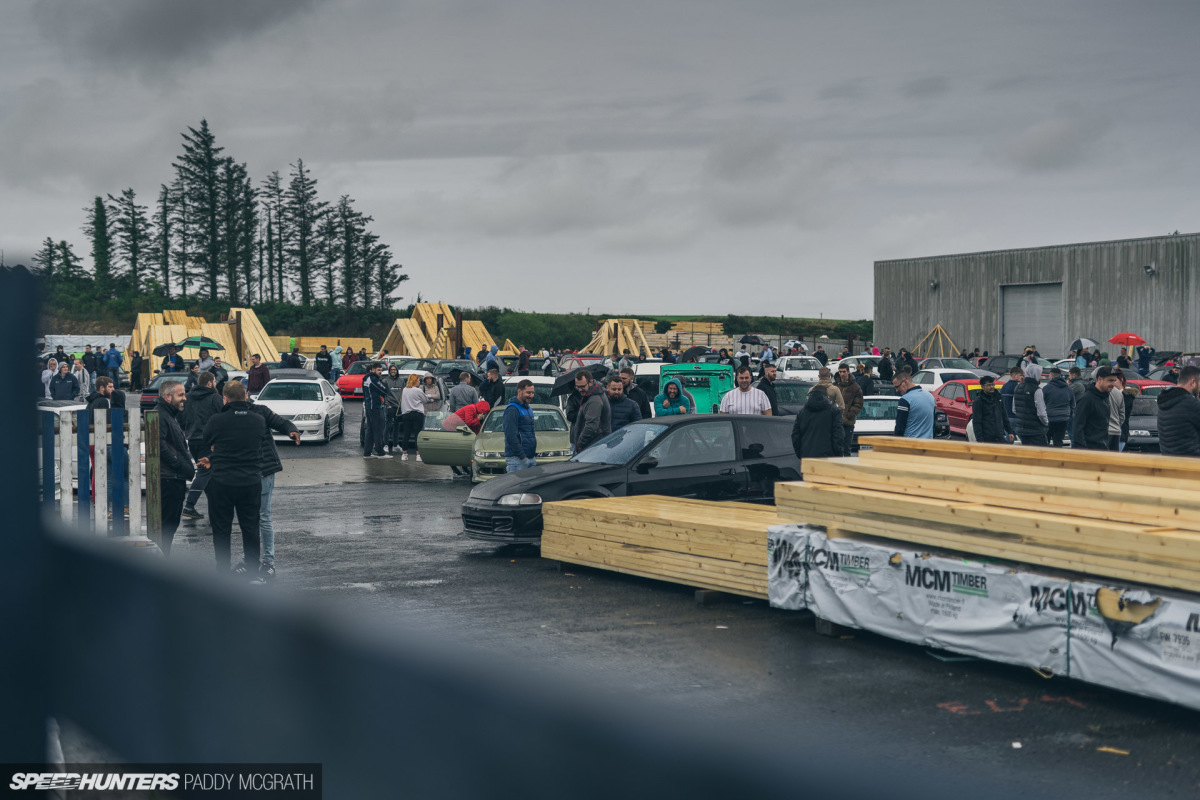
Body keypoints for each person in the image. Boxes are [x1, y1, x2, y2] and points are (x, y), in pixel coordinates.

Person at [199, 381, 266, 576]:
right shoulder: (258, 420)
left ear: (225, 399)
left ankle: (223, 571)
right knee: (250, 527)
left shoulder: (216, 420)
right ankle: (253, 570)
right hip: (250, 481)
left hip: (222, 481)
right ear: (246, 396)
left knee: (221, 529)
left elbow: (206, 438)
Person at [248, 393, 300, 582]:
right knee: (251, 518)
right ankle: (251, 560)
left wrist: (291, 429)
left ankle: (268, 562)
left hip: (263, 470)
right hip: (244, 473)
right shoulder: (227, 414)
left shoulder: (260, 411)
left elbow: (280, 421)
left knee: (263, 516)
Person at [155, 380, 194, 556]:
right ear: (167, 397)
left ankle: (162, 560)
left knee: (169, 527)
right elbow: (159, 446)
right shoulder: (161, 415)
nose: (184, 398)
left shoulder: (169, 414)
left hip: (173, 478)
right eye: (181, 395)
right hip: (169, 479)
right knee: (166, 528)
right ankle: (160, 563)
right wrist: (179, 465)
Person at [181, 371, 226, 520]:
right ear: (209, 383)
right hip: (208, 440)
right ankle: (189, 505)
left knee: (208, 473)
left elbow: (182, 418)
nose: (215, 384)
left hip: (192, 439)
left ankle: (215, 505)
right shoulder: (215, 398)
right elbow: (223, 417)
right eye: (214, 381)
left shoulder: (188, 398)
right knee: (204, 472)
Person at [791, 385, 844, 462]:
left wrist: (800, 453)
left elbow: (795, 436)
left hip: (807, 457)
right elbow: (838, 436)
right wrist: (838, 455)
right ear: (826, 396)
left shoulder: (802, 413)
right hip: (829, 457)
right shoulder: (834, 412)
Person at [1157, 365, 1200, 457]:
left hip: (1169, 462)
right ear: (1192, 382)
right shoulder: (1191, 403)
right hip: (1190, 463)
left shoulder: (1164, 400)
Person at [1073, 366, 1117, 450]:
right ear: (1099, 379)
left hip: (1102, 450)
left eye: (1114, 380)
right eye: (1110, 380)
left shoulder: (1104, 398)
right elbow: (1078, 428)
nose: (1113, 384)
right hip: (1089, 453)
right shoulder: (1087, 399)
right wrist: (1084, 453)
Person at [570, 368, 611, 452]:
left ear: (591, 382)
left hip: (593, 447)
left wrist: (579, 444)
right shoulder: (592, 395)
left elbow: (591, 427)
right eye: (577, 387)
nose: (580, 390)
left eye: (582, 386)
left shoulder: (594, 400)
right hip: (594, 445)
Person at [503, 380, 537, 472]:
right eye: (528, 392)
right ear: (519, 391)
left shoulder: (528, 409)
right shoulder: (512, 410)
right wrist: (522, 457)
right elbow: (511, 436)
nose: (531, 395)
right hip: (517, 459)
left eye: (533, 392)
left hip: (529, 458)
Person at [1012, 363, 1049, 446]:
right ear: (1035, 375)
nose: (1041, 377)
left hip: (1022, 430)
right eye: (1040, 375)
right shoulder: (1037, 390)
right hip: (1036, 430)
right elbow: (1041, 413)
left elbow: (1014, 409)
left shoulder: (1017, 387)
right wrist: (1046, 423)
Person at [892, 368, 935, 438]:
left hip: (910, 445)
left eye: (897, 386)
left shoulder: (905, 400)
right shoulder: (930, 397)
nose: (896, 390)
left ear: (905, 382)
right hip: (927, 444)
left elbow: (900, 427)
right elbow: (933, 424)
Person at [971, 376, 1012, 443]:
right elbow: (977, 422)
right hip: (987, 438)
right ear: (982, 387)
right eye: (989, 385)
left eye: (993, 384)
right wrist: (980, 440)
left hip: (999, 436)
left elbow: (1004, 415)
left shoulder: (998, 398)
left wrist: (1009, 431)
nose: (992, 387)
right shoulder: (979, 401)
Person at [362, 361, 390, 459]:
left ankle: (367, 452)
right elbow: (384, 390)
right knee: (378, 430)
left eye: (381, 370)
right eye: (378, 370)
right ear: (372, 370)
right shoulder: (372, 379)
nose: (380, 372)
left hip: (369, 407)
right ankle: (380, 452)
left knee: (370, 431)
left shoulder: (366, 378)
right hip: (375, 408)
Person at [1041, 367, 1075, 447]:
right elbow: (1073, 404)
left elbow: (1041, 403)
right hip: (1063, 419)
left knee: (1046, 440)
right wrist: (1068, 415)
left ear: (1051, 377)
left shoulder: (1046, 388)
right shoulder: (1068, 389)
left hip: (1049, 418)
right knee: (1058, 440)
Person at [835, 362, 864, 455]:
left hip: (848, 422)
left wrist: (849, 415)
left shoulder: (855, 387)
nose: (842, 374)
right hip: (836, 422)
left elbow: (858, 404)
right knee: (836, 448)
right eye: (840, 372)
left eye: (844, 371)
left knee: (847, 448)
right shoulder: (835, 386)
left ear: (848, 372)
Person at [398, 374, 426, 462]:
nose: (419, 381)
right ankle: (418, 455)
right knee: (417, 435)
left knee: (406, 434)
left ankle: (404, 454)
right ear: (414, 381)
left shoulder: (405, 390)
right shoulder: (418, 390)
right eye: (418, 380)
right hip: (417, 413)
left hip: (406, 414)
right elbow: (425, 400)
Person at [383, 365, 406, 451]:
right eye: (391, 370)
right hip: (390, 406)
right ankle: (385, 445)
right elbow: (383, 394)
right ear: (389, 371)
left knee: (397, 426)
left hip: (399, 407)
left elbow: (404, 392)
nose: (393, 371)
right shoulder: (385, 381)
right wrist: (387, 404)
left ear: (397, 371)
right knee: (388, 425)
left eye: (395, 369)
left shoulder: (401, 381)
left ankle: (395, 445)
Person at [1106, 372, 1126, 451]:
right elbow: (1122, 415)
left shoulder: (1101, 392)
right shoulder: (1119, 393)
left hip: (1105, 432)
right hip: (1116, 431)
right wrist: (1117, 424)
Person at [999, 365, 1023, 430]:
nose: (1021, 377)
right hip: (1014, 416)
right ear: (1015, 375)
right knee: (1023, 437)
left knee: (1009, 436)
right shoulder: (1018, 386)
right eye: (1020, 375)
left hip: (1005, 416)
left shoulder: (1004, 386)